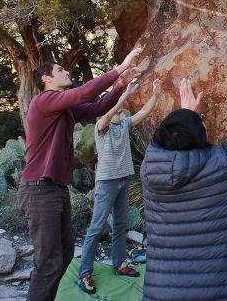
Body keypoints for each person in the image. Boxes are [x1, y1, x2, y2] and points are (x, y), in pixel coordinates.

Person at [17, 47, 141, 301]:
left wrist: (119, 86)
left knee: (61, 260)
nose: (67, 71)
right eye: (60, 69)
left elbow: (96, 107)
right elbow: (83, 93)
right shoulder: (44, 101)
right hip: (39, 191)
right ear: (46, 79)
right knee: (49, 264)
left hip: (54, 191)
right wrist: (118, 68)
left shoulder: (63, 110)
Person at [140, 60, 227, 300]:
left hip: (162, 292)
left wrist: (187, 115)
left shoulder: (149, 168)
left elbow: (171, 138)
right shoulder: (223, 162)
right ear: (200, 135)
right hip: (221, 291)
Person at [77, 77, 163, 295]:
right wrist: (124, 95)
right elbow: (106, 114)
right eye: (119, 109)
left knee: (120, 226)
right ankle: (84, 273)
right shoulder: (101, 127)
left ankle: (119, 263)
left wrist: (155, 93)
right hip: (106, 182)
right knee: (97, 228)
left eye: (121, 109)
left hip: (123, 179)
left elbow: (144, 113)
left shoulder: (124, 124)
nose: (121, 111)